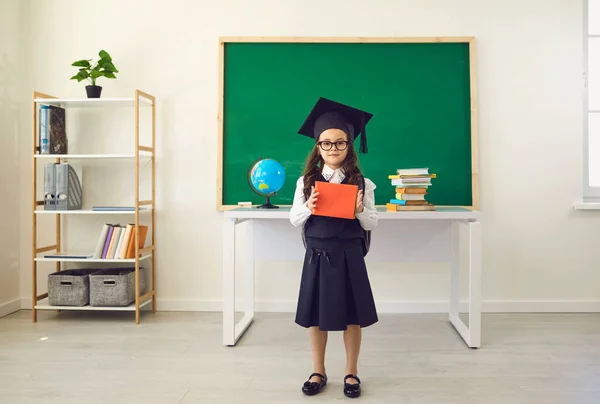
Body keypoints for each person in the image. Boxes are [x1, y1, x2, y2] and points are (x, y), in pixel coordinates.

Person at [289, 97, 379, 398]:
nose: (333, 149)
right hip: (318, 254)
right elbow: (293, 219)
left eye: (340, 143)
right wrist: (309, 208)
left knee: (352, 316)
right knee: (316, 316)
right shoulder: (306, 182)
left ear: (349, 145)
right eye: (326, 144)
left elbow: (371, 224)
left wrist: (359, 212)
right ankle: (318, 369)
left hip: (350, 255)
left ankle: (351, 372)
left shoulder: (363, 183)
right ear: (317, 147)